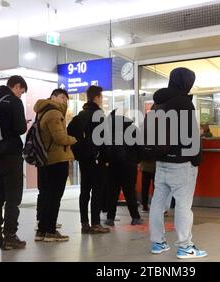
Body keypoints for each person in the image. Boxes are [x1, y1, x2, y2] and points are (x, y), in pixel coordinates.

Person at [148, 67, 207, 259]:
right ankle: (185, 247)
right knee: (183, 205)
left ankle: (158, 243)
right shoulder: (184, 103)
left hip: (161, 161)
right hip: (182, 163)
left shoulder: (158, 101)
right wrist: (196, 159)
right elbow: (191, 136)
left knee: (158, 204)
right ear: (186, 82)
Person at [0, 75, 28, 250]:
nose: (21, 95)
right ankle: (10, 235)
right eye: (22, 91)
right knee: (13, 197)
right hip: (11, 155)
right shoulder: (14, 102)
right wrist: (22, 124)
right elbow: (20, 128)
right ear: (17, 86)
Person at [34, 89, 77, 242]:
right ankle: (50, 231)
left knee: (46, 195)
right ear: (53, 97)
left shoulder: (42, 111)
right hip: (56, 160)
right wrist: (73, 139)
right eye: (62, 97)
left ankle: (42, 231)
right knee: (54, 197)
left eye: (66, 98)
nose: (64, 100)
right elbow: (60, 138)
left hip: (45, 159)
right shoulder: (54, 113)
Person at [67, 86, 110, 234]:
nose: (102, 99)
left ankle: (84, 223)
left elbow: (70, 134)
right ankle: (96, 223)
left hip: (84, 159)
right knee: (97, 191)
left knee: (84, 191)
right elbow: (104, 139)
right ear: (97, 98)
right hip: (97, 159)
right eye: (101, 97)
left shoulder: (80, 116)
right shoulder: (98, 115)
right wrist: (106, 157)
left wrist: (78, 151)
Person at [105, 111, 143, 226]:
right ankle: (135, 217)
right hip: (129, 166)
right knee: (130, 192)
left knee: (112, 192)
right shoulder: (133, 130)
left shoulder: (110, 131)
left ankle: (110, 218)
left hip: (113, 166)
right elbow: (140, 148)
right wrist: (136, 161)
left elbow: (106, 148)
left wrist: (107, 160)